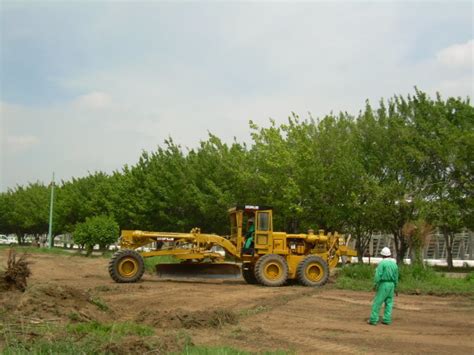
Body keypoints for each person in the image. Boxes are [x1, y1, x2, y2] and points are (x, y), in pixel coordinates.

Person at [368, 247, 399, 325]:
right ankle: (387, 319)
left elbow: (378, 275)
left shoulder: (382, 264)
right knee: (389, 302)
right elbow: (396, 276)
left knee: (377, 302)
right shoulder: (394, 264)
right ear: (389, 255)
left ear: (382, 255)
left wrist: (375, 284)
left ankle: (373, 319)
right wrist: (395, 286)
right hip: (391, 285)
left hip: (384, 284)